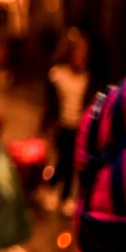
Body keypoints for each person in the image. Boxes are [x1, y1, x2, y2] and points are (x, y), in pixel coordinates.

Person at [41, 27, 94, 217]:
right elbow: (50, 104)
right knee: (63, 160)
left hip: (78, 128)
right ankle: (51, 187)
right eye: (77, 52)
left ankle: (65, 197)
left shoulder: (86, 78)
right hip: (61, 127)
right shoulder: (58, 75)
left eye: (84, 53)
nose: (80, 56)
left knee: (72, 162)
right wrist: (45, 126)